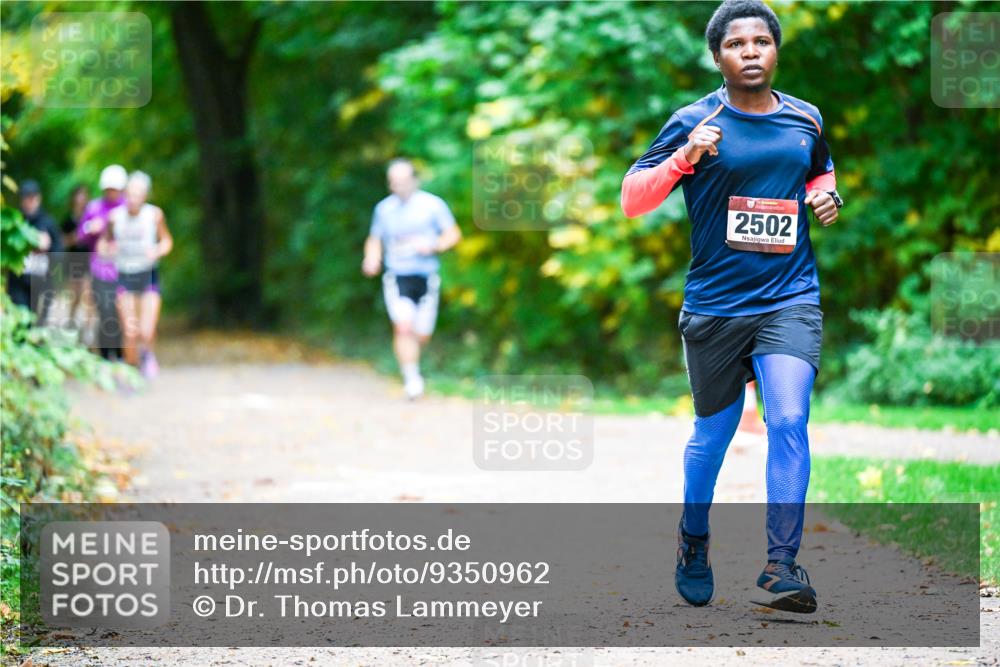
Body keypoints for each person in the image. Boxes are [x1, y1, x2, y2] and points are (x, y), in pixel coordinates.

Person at [620, 0, 842, 613]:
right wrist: (684, 157)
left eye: (761, 41)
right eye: (736, 43)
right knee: (712, 438)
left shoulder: (805, 118)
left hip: (789, 298)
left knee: (789, 419)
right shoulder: (694, 118)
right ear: (717, 56)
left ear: (775, 51)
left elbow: (818, 173)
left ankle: (782, 566)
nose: (750, 51)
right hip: (716, 306)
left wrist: (826, 199)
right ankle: (693, 539)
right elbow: (632, 199)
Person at [362, 159, 462, 399]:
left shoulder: (432, 206)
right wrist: (371, 258)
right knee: (403, 326)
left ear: (414, 180)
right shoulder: (384, 209)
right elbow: (374, 238)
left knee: (421, 333)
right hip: (397, 276)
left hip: (426, 276)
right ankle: (412, 379)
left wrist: (434, 245)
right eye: (395, 182)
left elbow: (453, 234)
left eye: (404, 180)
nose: (400, 186)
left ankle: (412, 364)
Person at [105, 171, 172, 378]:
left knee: (146, 330)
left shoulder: (154, 215)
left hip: (148, 275)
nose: (133, 199)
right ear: (125, 194)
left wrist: (157, 250)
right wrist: (109, 249)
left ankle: (147, 354)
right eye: (130, 194)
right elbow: (103, 243)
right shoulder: (115, 218)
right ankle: (131, 370)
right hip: (125, 275)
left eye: (138, 194)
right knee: (130, 331)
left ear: (145, 196)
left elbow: (167, 241)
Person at [77, 165, 127, 361]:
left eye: (114, 188)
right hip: (100, 269)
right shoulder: (94, 208)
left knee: (122, 316)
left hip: (124, 269)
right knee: (105, 313)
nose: (111, 192)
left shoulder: (126, 207)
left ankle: (123, 356)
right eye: (108, 189)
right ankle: (106, 357)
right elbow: (81, 236)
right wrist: (92, 229)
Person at [7, 179, 63, 323]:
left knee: (39, 323)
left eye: (32, 198)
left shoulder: (48, 222)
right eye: (26, 198)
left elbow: (59, 253)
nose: (29, 202)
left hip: (42, 282)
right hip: (18, 282)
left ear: (38, 198)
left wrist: (48, 247)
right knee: (20, 320)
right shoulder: (14, 222)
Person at [60, 184, 93, 337]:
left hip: (89, 259)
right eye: (78, 196)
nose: (81, 199)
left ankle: (86, 330)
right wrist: (74, 238)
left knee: (88, 295)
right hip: (73, 260)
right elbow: (62, 241)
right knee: (75, 295)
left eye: (83, 196)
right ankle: (71, 322)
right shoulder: (68, 219)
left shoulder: (91, 216)